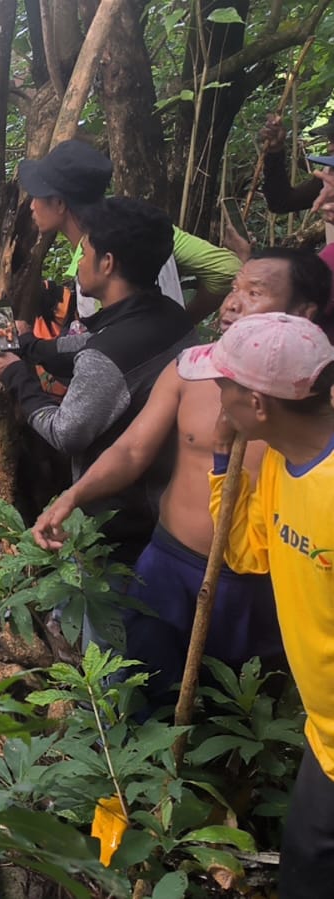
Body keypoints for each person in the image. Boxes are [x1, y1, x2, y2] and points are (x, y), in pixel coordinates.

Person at [32, 249, 333, 696]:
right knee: (139, 688)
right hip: (169, 559)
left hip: (261, 579)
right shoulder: (192, 368)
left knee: (237, 702)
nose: (231, 304)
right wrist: (72, 496)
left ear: (304, 313)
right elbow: (132, 450)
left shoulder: (314, 405)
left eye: (254, 293)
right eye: (233, 288)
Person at [173, 312, 334, 899]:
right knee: (305, 865)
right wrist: (224, 461)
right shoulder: (280, 463)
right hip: (324, 735)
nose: (216, 400)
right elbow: (243, 551)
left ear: (259, 405)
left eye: (224, 389)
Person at [0, 198, 198, 569]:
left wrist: (15, 374)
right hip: (170, 503)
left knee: (110, 623)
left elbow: (66, 433)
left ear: (107, 263)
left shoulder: (108, 354)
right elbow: (95, 346)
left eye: (84, 252)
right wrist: (31, 346)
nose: (79, 263)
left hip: (122, 526)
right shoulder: (170, 315)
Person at [19, 138, 240, 323]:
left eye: (37, 195)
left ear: (59, 203)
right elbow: (228, 269)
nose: (31, 206)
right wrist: (183, 321)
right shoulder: (143, 229)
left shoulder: (98, 260)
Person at [257, 114, 334, 215]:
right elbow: (281, 202)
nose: (330, 148)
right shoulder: (329, 177)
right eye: (330, 140)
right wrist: (275, 152)